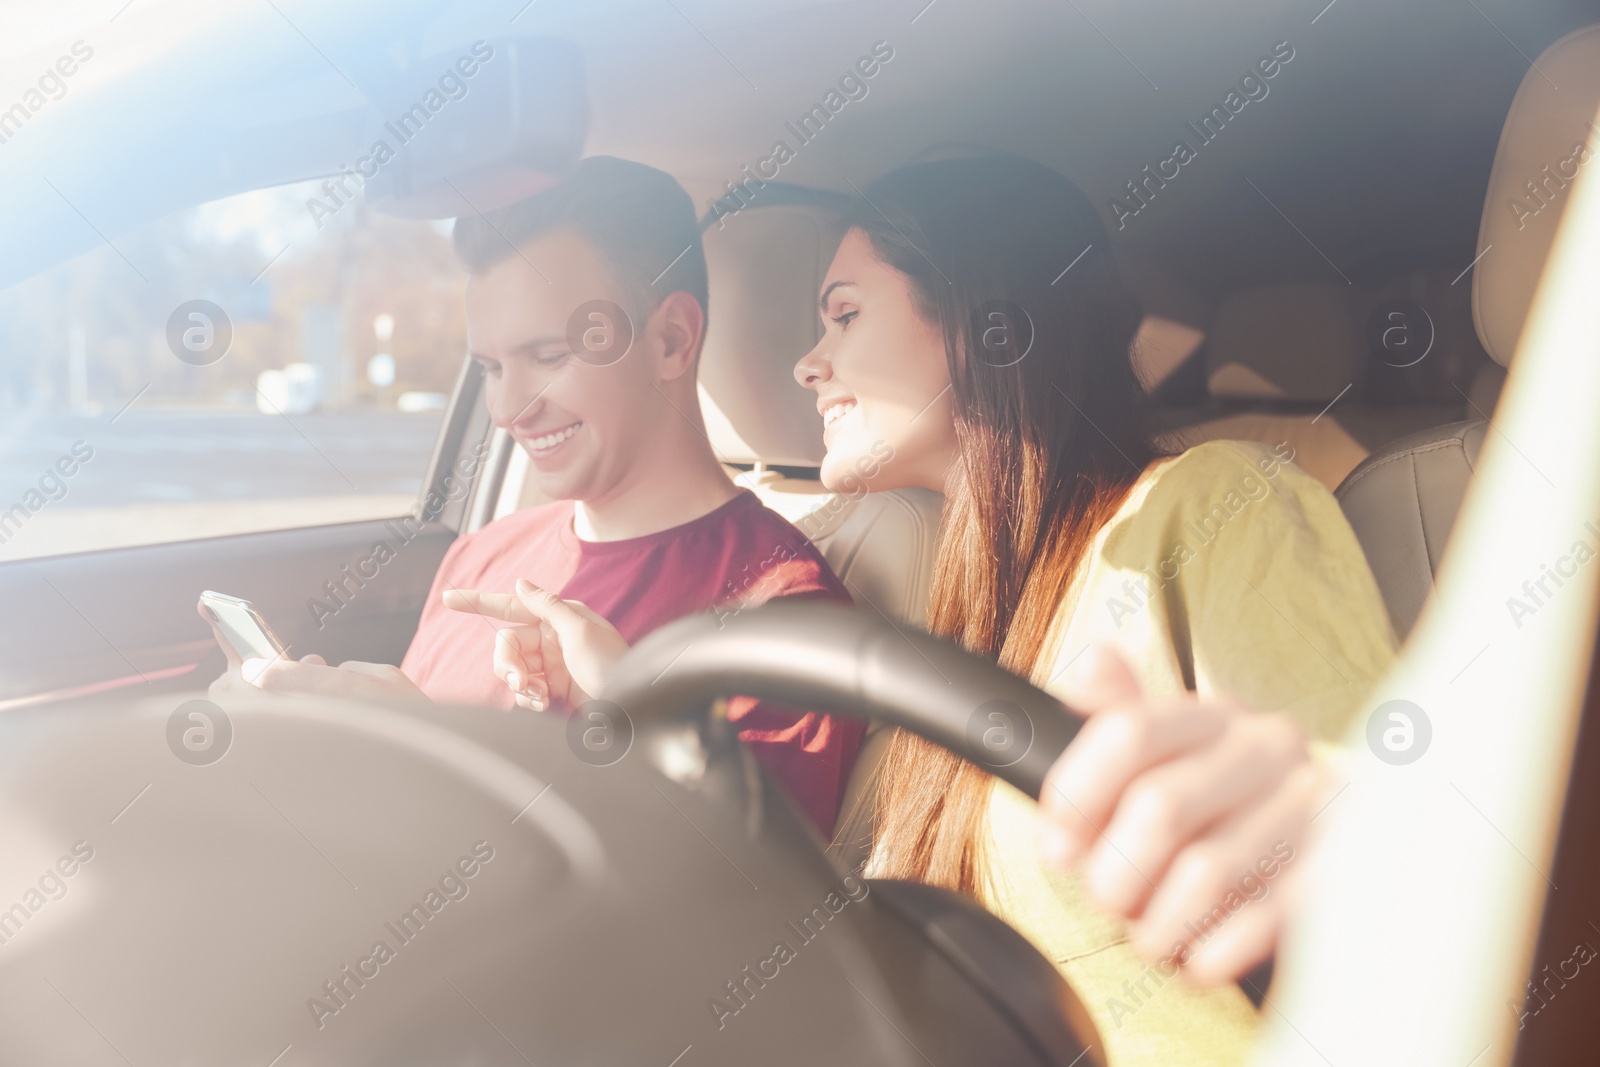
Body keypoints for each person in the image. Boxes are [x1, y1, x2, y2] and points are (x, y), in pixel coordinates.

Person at [792, 154, 1396, 1064]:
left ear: (981, 322)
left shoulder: (1206, 505)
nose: (809, 362)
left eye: (845, 314)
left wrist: (1323, 825)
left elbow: (1370, 829)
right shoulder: (966, 607)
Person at [207, 156, 864, 835]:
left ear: (671, 339)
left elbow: (718, 914)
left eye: (549, 357)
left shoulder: (781, 618)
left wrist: (435, 756)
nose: (507, 408)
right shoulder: (481, 559)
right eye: (491, 368)